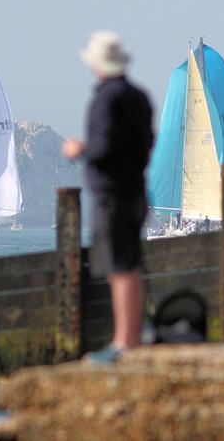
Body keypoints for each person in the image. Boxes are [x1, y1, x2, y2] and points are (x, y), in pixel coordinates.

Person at [61, 30, 153, 364]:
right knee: (130, 264)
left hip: (112, 194)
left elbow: (102, 147)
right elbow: (147, 142)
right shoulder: (139, 96)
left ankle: (124, 343)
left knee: (120, 267)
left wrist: (77, 150)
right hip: (136, 191)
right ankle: (132, 338)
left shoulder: (106, 98)